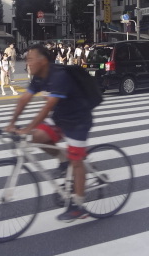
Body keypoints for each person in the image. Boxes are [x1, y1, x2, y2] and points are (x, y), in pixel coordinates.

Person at [5, 44, 94, 222]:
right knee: (36, 136)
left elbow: (47, 107)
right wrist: (12, 123)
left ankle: (78, 206)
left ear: (43, 61)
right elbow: (24, 99)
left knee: (76, 161)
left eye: (30, 59)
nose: (27, 63)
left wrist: (26, 128)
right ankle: (64, 161)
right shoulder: (39, 77)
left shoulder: (60, 76)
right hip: (60, 118)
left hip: (78, 120)